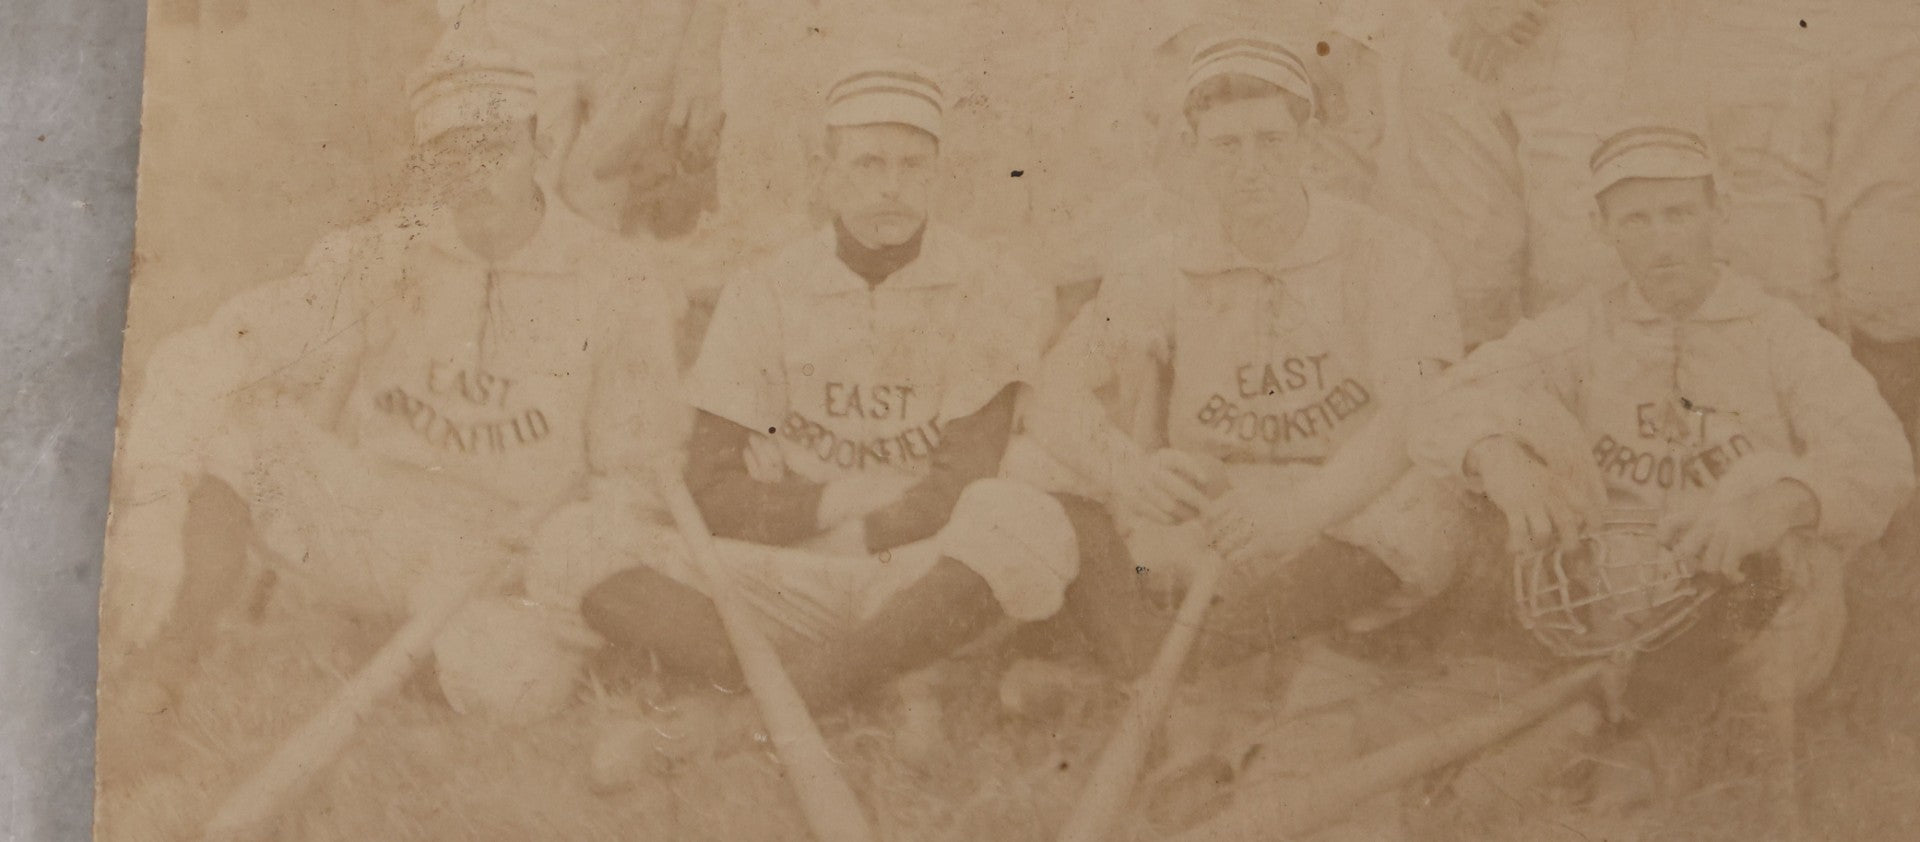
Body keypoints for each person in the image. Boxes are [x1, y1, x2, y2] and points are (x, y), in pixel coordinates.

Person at [102, 37, 688, 726]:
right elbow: (207, 352)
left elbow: (636, 476)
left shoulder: (618, 280)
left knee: (513, 688)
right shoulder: (387, 253)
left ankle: (425, 649)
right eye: (452, 153)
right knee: (236, 427)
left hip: (513, 552)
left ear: (544, 144)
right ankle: (160, 676)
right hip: (375, 523)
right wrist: (154, 501)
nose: (476, 174)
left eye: (496, 145)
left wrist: (557, 570)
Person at [552, 60, 1123, 760]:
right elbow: (709, 488)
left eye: (912, 166)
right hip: (788, 571)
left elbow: (962, 486)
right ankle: (888, 675)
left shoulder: (989, 286)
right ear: (825, 171)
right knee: (572, 542)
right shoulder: (766, 290)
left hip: (924, 570)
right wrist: (833, 502)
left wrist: (801, 513)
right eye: (868, 164)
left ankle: (737, 718)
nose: (890, 187)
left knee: (1027, 523)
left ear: (938, 174)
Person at [1407, 124, 1915, 826]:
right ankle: (1611, 731)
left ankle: (1606, 730)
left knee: (1766, 496)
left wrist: (1783, 500)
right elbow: (1443, 401)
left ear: (1718, 213)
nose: (1662, 239)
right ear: (1603, 229)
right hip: (1613, 608)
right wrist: (1495, 456)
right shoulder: (1584, 328)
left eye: (1679, 214)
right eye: (1636, 220)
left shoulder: (1779, 333)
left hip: (1759, 612)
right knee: (1514, 419)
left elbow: (1882, 456)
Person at [1022, 33, 1476, 676]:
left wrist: (1304, 510)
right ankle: (1213, 656)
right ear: (1192, 152)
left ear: (1310, 143)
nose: (1251, 165)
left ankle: (1160, 666)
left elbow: (1413, 413)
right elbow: (1057, 389)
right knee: (1038, 464)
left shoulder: (1387, 250)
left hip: (1341, 497)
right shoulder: (1159, 261)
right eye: (1227, 146)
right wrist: (1131, 470)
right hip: (1219, 504)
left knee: (1425, 497)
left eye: (1271, 141)